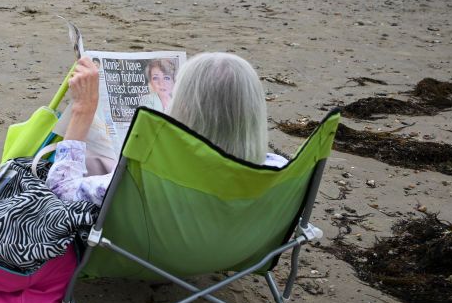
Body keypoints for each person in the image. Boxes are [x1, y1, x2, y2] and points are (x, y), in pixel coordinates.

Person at [48, 53, 287, 205]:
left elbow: (61, 192)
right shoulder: (280, 175)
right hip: (238, 251)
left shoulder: (145, 182)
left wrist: (83, 109)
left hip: (148, 255)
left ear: (184, 107)